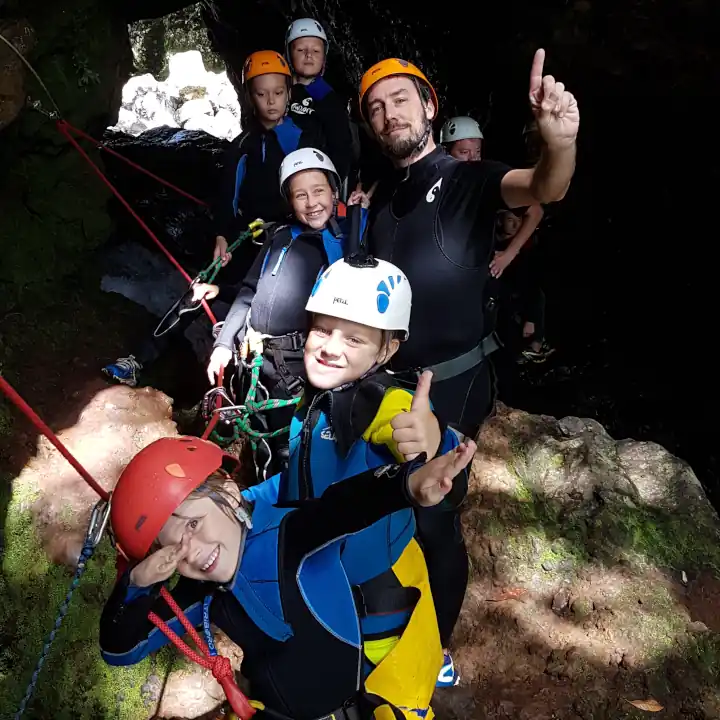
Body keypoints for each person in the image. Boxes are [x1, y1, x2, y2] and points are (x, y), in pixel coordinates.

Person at [357, 49, 578, 665]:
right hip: (391, 383)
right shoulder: (382, 199)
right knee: (385, 501)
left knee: (434, 519)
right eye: (376, 108)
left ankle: (436, 651)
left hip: (452, 383)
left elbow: (543, 186)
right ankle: (382, 621)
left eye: (401, 99)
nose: (389, 114)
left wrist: (559, 144)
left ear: (429, 107)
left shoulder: (466, 181)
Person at [100, 436, 477, 720]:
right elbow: (120, 650)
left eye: (194, 524)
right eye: (172, 550)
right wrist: (138, 584)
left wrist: (407, 484)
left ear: (230, 495)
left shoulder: (292, 536)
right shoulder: (203, 593)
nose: (192, 551)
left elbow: (347, 503)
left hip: (352, 706)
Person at [244, 255, 466, 688]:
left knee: (389, 700)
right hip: (320, 578)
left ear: (387, 350)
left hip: (378, 596)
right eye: (322, 330)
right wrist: (243, 502)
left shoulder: (379, 401)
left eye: (354, 338)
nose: (330, 347)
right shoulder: (315, 399)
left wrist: (432, 438)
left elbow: (415, 431)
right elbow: (300, 483)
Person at [206, 148, 364, 480]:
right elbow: (249, 290)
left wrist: (358, 217)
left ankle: (285, 504)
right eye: (300, 195)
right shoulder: (279, 237)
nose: (312, 202)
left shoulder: (342, 243)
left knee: (289, 452)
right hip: (255, 360)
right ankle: (261, 492)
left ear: (334, 192)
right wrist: (223, 344)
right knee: (261, 442)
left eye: (319, 191)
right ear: (290, 201)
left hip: (296, 368)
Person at [212, 50, 323, 278]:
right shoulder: (242, 147)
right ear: (249, 97)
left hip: (301, 230)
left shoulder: (306, 137)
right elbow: (228, 195)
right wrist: (222, 235)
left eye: (278, 93)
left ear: (289, 93)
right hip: (255, 236)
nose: (271, 101)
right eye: (261, 94)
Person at [284, 18, 353, 188]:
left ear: (324, 58)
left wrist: (330, 186)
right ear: (288, 55)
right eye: (301, 50)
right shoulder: (278, 90)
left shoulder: (329, 99)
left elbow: (341, 149)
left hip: (312, 181)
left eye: (316, 50)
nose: (308, 55)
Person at [496, 209, 554, 362]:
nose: (516, 225)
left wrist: (531, 319)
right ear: (501, 221)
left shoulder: (526, 246)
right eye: (510, 220)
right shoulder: (491, 240)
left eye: (519, 220)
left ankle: (534, 345)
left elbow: (532, 282)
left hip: (517, 291)